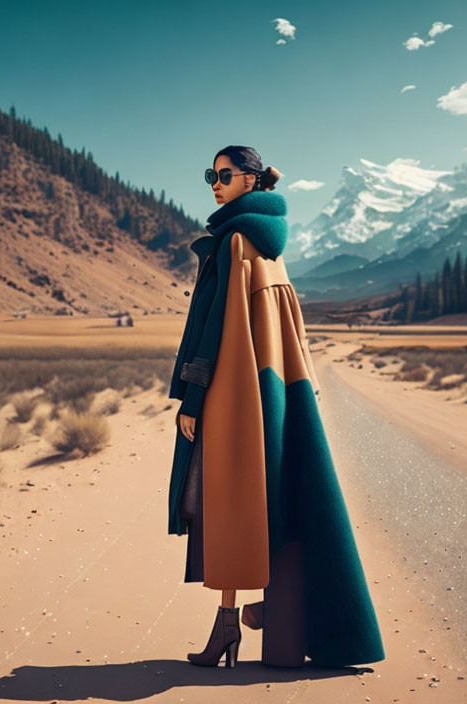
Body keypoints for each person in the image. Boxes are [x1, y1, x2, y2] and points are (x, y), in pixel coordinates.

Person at [167, 145, 386, 670]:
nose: (214, 184)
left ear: (249, 180)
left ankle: (227, 629)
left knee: (224, 505)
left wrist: (192, 399)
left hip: (232, 396)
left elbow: (213, 331)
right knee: (273, 498)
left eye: (223, 175)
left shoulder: (235, 243)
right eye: (209, 175)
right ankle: (273, 627)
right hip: (274, 393)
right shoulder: (271, 244)